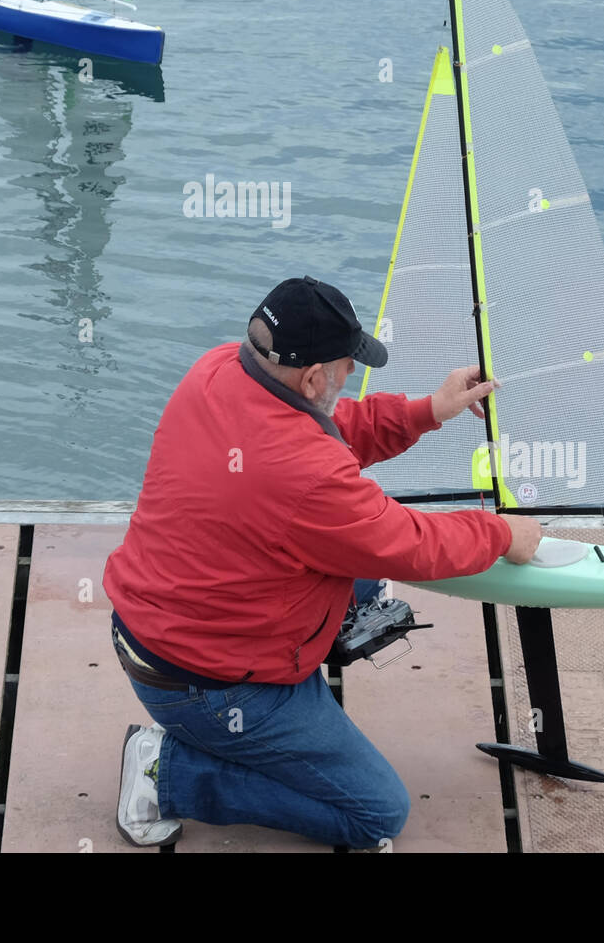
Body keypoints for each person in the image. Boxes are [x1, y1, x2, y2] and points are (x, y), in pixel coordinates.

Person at [102, 275, 542, 848]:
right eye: (344, 365)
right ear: (312, 377)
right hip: (209, 686)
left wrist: (428, 410)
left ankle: (300, 657)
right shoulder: (305, 479)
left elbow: (321, 431)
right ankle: (166, 773)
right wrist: (501, 532)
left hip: (152, 628)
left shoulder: (216, 369)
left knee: (359, 569)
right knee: (376, 815)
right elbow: (410, 543)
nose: (350, 375)